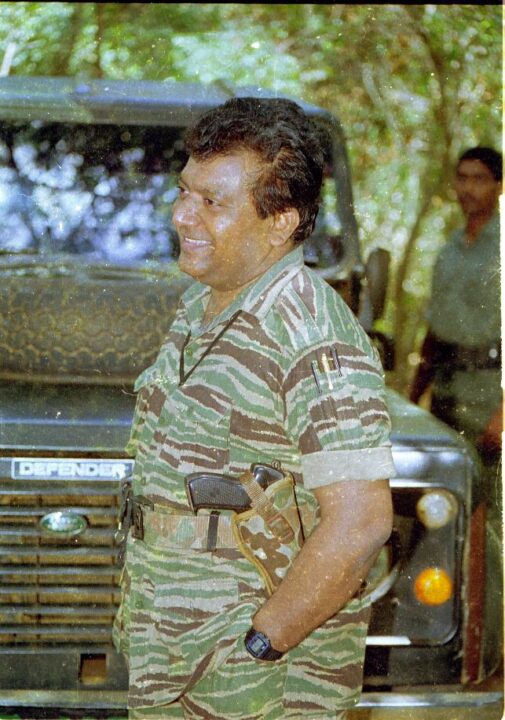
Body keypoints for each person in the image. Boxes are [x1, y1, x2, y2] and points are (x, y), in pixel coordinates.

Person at [113, 97, 395, 720]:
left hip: (251, 681)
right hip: (177, 651)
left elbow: (360, 522)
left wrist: (262, 644)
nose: (182, 215)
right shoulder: (204, 305)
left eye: (212, 202)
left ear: (279, 222)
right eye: (184, 192)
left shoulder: (309, 330)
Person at [410, 146, 502, 516]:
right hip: (446, 393)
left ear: (499, 186)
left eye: (479, 179)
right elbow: (435, 331)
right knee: (445, 503)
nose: (468, 189)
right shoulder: (450, 249)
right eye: (462, 178)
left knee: (487, 510)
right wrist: (413, 396)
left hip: (488, 398)